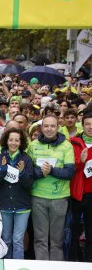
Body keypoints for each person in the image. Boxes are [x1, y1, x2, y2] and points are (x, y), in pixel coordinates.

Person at [27, 114, 75, 261]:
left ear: (58, 127)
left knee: (57, 241)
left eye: (52, 126)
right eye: (46, 126)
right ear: (41, 128)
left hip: (59, 198)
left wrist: (51, 170)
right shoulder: (33, 145)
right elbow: (28, 172)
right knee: (40, 239)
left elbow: (70, 172)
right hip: (38, 197)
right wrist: (41, 172)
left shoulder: (66, 145)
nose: (49, 129)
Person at [0, 128, 34, 259]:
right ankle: (7, 265)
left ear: (21, 142)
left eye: (17, 140)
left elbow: (29, 183)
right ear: (6, 141)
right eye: (11, 140)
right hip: (4, 205)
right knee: (6, 239)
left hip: (22, 206)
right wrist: (2, 170)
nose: (13, 143)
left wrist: (22, 172)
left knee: (18, 240)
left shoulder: (27, 159)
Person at [69, 111, 92, 262]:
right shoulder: (73, 142)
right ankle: (74, 261)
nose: (91, 127)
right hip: (78, 192)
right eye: (88, 124)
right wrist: (80, 161)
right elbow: (69, 167)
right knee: (74, 231)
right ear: (82, 126)